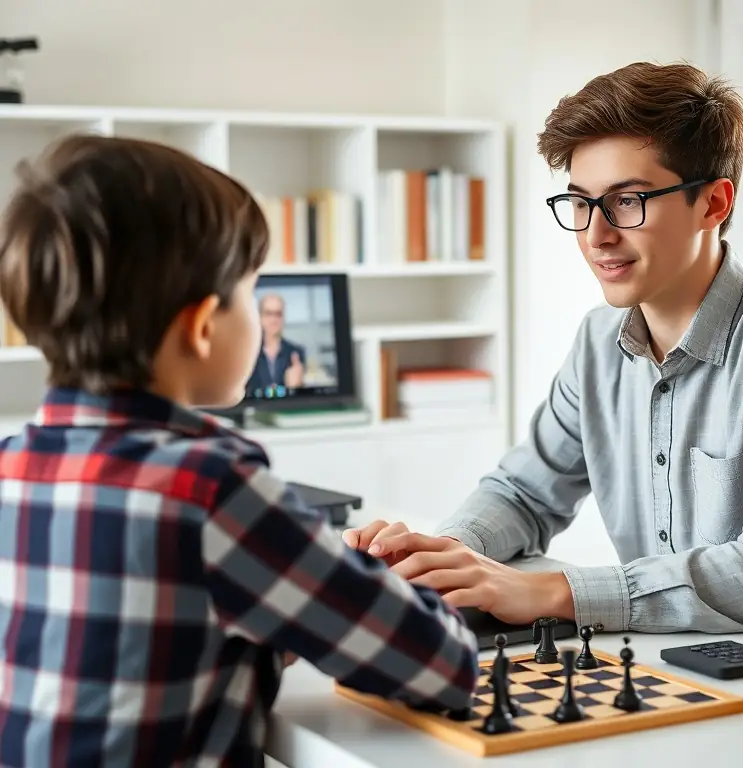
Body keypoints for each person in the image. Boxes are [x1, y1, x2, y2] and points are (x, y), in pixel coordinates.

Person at [343, 60, 743, 637]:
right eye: (580, 202)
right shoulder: (600, 340)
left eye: (627, 201)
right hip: (662, 660)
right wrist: (444, 555)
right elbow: (524, 493)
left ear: (714, 204)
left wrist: (553, 590)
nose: (596, 234)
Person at [0, 135, 478, 766]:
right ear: (201, 327)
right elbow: (440, 664)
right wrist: (349, 586)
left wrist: (289, 596)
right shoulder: (211, 489)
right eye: (252, 290)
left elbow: (144, 636)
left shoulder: (12, 466)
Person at [246, 292, 306, 394]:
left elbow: (300, 398)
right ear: (260, 316)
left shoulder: (296, 353)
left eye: (278, 314)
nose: (274, 320)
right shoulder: (247, 353)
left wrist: (296, 388)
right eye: (268, 313)